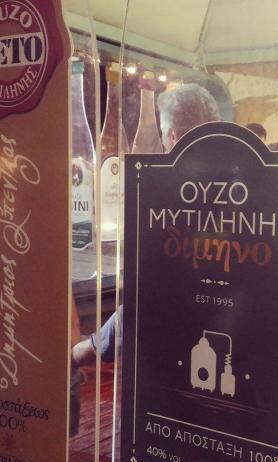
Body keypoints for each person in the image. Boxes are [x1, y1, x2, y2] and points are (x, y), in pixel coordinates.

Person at [73, 84, 221, 367]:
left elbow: (149, 301)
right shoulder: (243, 185)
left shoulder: (172, 200)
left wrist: (87, 348)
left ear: (173, 136)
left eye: (163, 136)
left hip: (178, 360)